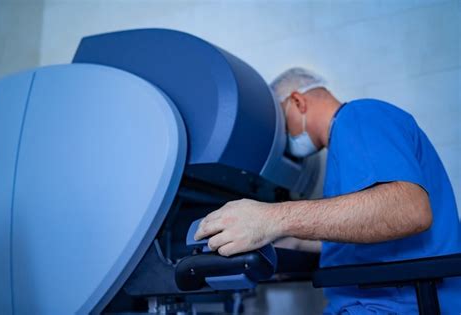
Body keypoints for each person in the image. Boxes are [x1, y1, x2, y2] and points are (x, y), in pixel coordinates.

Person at [194, 68, 461, 314]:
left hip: (395, 306)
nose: (284, 141)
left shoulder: (358, 116)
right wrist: (292, 238)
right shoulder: (348, 144)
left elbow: (409, 209)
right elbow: (366, 228)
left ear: (298, 102)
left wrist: (273, 218)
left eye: (282, 126)